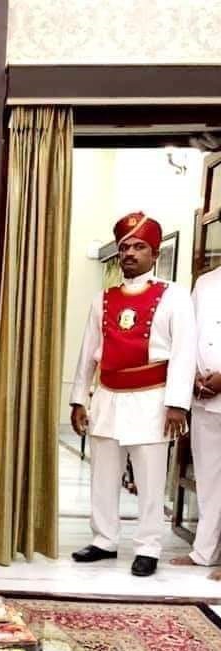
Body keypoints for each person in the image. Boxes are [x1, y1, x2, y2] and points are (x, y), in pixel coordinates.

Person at [69, 212, 196, 576]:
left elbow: (184, 352)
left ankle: (148, 547)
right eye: (125, 247)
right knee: (103, 473)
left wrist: (177, 404)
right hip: (108, 395)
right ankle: (104, 539)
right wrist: (79, 398)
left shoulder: (174, 296)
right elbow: (88, 352)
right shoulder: (103, 299)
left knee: (150, 477)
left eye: (139, 247)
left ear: (154, 254)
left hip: (152, 398)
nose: (130, 253)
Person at [171, 264, 221, 579]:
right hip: (204, 398)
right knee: (208, 479)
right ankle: (205, 551)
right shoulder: (205, 282)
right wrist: (191, 378)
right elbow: (187, 338)